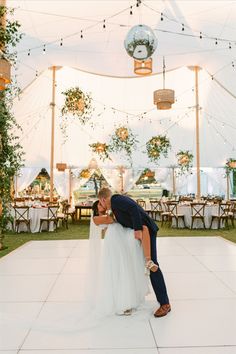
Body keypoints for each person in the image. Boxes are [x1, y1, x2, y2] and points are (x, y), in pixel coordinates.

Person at [98, 187, 171, 318]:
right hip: (140, 234)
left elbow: (133, 208)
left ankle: (165, 304)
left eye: (100, 202)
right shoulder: (114, 209)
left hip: (146, 231)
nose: (101, 205)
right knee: (147, 263)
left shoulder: (116, 199)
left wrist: (137, 228)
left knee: (152, 264)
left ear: (103, 199)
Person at [89, 200, 149, 316]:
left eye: (102, 203)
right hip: (113, 241)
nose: (103, 205)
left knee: (126, 267)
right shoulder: (96, 219)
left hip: (121, 237)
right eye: (100, 205)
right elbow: (111, 219)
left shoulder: (109, 212)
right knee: (118, 268)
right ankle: (122, 302)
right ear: (96, 209)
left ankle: (131, 297)